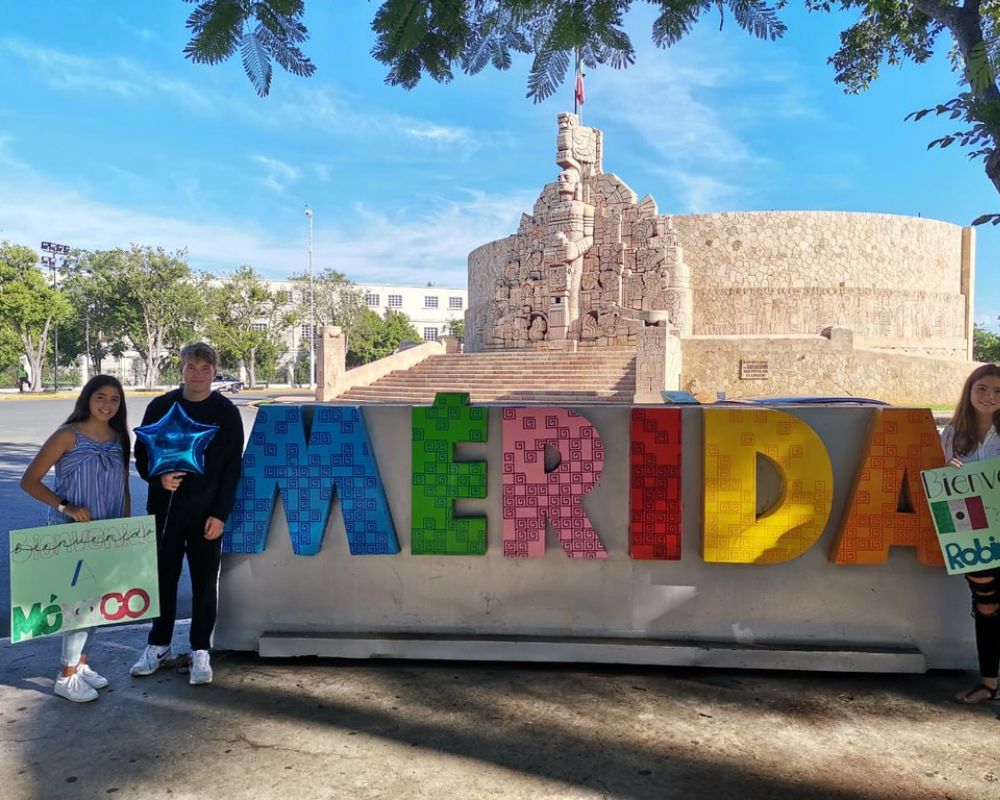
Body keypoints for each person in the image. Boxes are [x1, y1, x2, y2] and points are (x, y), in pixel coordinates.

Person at [131, 342, 243, 686]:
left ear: (214, 371)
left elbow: (231, 469)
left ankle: (199, 650)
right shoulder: (162, 406)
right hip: (165, 512)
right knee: (163, 580)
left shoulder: (226, 412)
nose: (197, 374)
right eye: (191, 367)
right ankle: (158, 644)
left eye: (205, 369)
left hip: (206, 515)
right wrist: (158, 476)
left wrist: (221, 514)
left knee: (204, 584)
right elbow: (142, 454)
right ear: (180, 369)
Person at [19, 375, 130, 703]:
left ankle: (81, 665)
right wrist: (65, 506)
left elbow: (123, 487)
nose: (107, 405)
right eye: (101, 397)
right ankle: (66, 676)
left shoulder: (118, 437)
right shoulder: (68, 436)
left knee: (97, 602)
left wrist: (123, 528)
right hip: (72, 532)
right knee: (78, 603)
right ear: (87, 398)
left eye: (114, 399)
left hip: (106, 528)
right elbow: (30, 480)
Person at [941, 363, 1000, 704]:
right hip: (971, 533)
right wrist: (946, 472)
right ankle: (989, 684)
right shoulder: (951, 435)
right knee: (987, 605)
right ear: (970, 391)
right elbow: (942, 487)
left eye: (997, 391)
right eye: (982, 389)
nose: (989, 397)